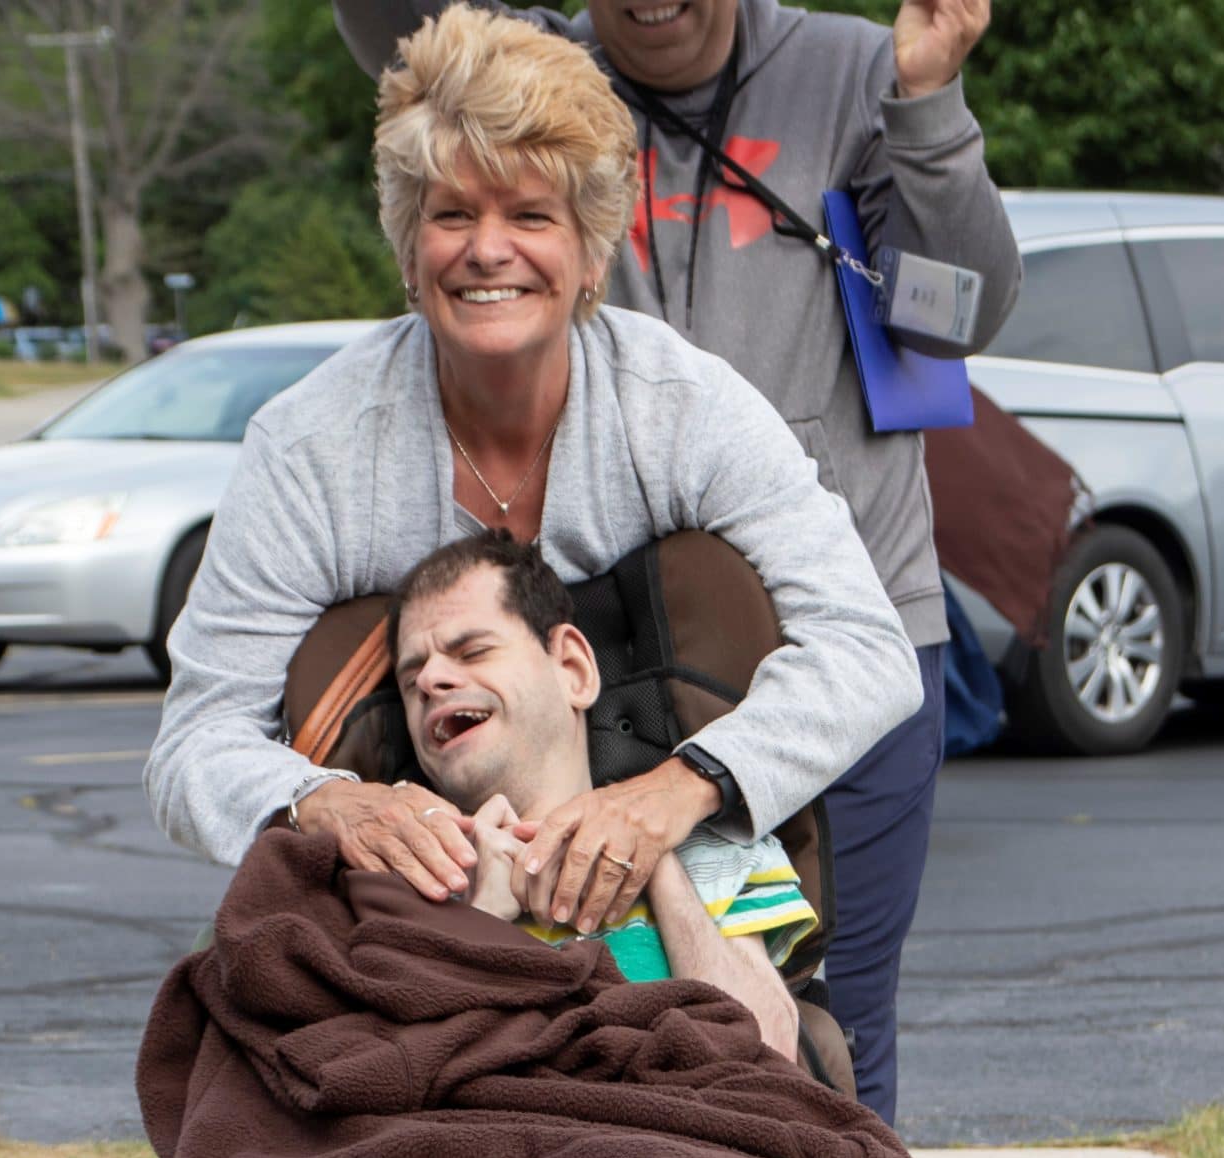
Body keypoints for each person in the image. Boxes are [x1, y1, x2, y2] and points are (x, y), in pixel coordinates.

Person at [147, 6, 922, 1021]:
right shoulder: (311, 446)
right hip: (408, 919)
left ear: (593, 252)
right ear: (406, 247)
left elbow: (869, 649)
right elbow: (194, 739)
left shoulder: (682, 404)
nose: (488, 250)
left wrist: (675, 792)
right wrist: (327, 802)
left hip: (670, 872)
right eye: (452, 214)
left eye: (529, 216)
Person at [334, 0, 1022, 1122]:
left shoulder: (857, 71)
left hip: (837, 634)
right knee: (590, 1001)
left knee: (830, 1008)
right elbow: (387, 29)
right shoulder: (533, 72)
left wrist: (927, 100)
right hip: (630, 661)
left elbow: (955, 319)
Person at [387, 528, 811, 1059]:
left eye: (471, 650)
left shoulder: (716, 854)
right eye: (410, 681)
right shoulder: (410, 877)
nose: (431, 681)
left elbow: (771, 1056)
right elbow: (399, 1079)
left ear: (573, 669)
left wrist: (653, 860)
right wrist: (482, 917)